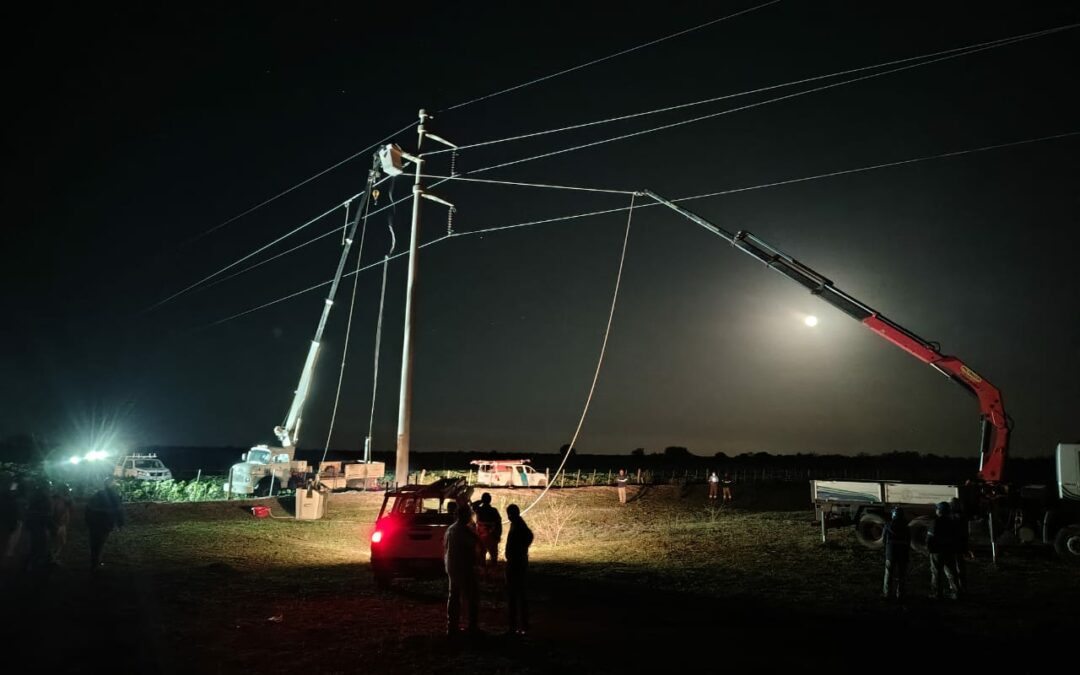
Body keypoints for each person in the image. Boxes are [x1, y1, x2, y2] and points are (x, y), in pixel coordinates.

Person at [444, 503, 481, 636]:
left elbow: (445, 547)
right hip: (463, 567)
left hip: (452, 566)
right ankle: (472, 626)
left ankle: (452, 626)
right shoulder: (463, 531)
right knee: (472, 596)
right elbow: (474, 544)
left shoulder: (450, 529)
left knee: (453, 595)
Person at [504, 503, 533, 636]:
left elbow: (529, 536)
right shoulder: (518, 523)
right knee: (519, 595)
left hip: (516, 564)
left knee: (516, 595)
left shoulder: (518, 525)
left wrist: (520, 551)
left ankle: (516, 626)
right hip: (517, 562)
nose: (508, 517)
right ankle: (519, 625)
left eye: (509, 514)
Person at [85, 476, 125, 570]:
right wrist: (120, 523)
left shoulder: (97, 495)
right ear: (111, 484)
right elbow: (119, 510)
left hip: (94, 523)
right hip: (105, 523)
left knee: (93, 542)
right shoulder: (114, 495)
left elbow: (88, 508)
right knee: (100, 542)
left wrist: (87, 521)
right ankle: (96, 562)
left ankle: (94, 561)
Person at [926, 501, 961, 600]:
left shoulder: (935, 522)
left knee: (936, 573)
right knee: (951, 572)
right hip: (949, 550)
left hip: (937, 552)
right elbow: (956, 537)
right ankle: (956, 593)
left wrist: (928, 550)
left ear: (939, 511)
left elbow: (930, 538)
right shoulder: (952, 522)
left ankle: (936, 593)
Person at [881, 506, 910, 600]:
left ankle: (887, 594)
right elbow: (909, 541)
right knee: (902, 575)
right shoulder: (907, 527)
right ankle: (901, 594)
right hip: (903, 554)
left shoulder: (888, 525)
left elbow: (884, 540)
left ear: (893, 515)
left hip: (891, 553)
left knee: (889, 574)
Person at [472, 492, 502, 568]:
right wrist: (498, 535)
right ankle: (492, 574)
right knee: (493, 557)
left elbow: (473, 505)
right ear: (490, 500)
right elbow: (499, 524)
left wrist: (481, 501)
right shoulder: (493, 510)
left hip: (482, 537)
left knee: (481, 557)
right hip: (491, 536)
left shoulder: (479, 509)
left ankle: (484, 574)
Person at [51, 484, 75, 563]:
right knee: (56, 542)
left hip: (61, 523)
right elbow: (53, 511)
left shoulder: (65, 500)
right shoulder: (56, 499)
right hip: (57, 523)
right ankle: (52, 558)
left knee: (60, 542)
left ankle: (54, 557)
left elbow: (72, 507)